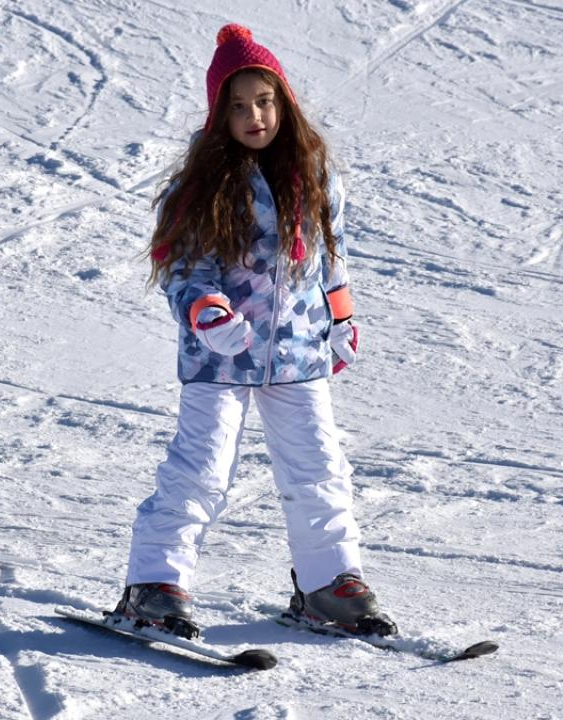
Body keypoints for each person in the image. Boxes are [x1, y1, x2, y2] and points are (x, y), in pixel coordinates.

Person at [114, 23, 395, 640]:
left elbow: (331, 254)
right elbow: (183, 266)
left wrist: (341, 318)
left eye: (264, 101)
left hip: (299, 350)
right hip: (221, 356)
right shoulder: (202, 185)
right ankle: (155, 584)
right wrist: (207, 312)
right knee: (202, 469)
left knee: (319, 467)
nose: (254, 116)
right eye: (237, 105)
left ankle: (330, 583)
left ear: (284, 102)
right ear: (219, 113)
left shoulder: (315, 174)